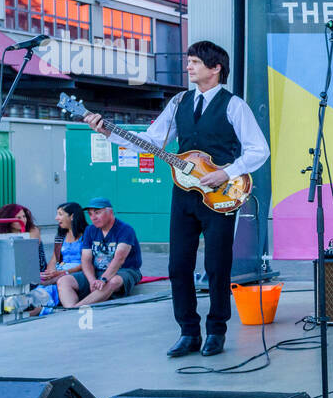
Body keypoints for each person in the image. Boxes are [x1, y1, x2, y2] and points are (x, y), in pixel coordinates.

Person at [83, 40, 269, 357]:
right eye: (188, 60)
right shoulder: (178, 103)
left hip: (220, 197)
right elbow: (152, 141)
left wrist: (226, 173)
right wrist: (109, 132)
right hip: (183, 196)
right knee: (178, 266)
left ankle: (216, 332)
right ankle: (188, 332)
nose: (188, 66)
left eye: (195, 61)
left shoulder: (234, 105)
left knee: (217, 266)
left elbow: (258, 150)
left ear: (216, 68)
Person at [57, 198, 143, 307]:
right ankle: (71, 307)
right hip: (97, 271)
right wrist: (92, 280)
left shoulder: (125, 229)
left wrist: (103, 279)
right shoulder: (90, 230)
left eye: (97, 213)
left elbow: (119, 259)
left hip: (124, 271)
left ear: (110, 212)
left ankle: (76, 309)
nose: (93, 217)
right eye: (90, 214)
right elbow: (86, 259)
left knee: (113, 281)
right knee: (64, 281)